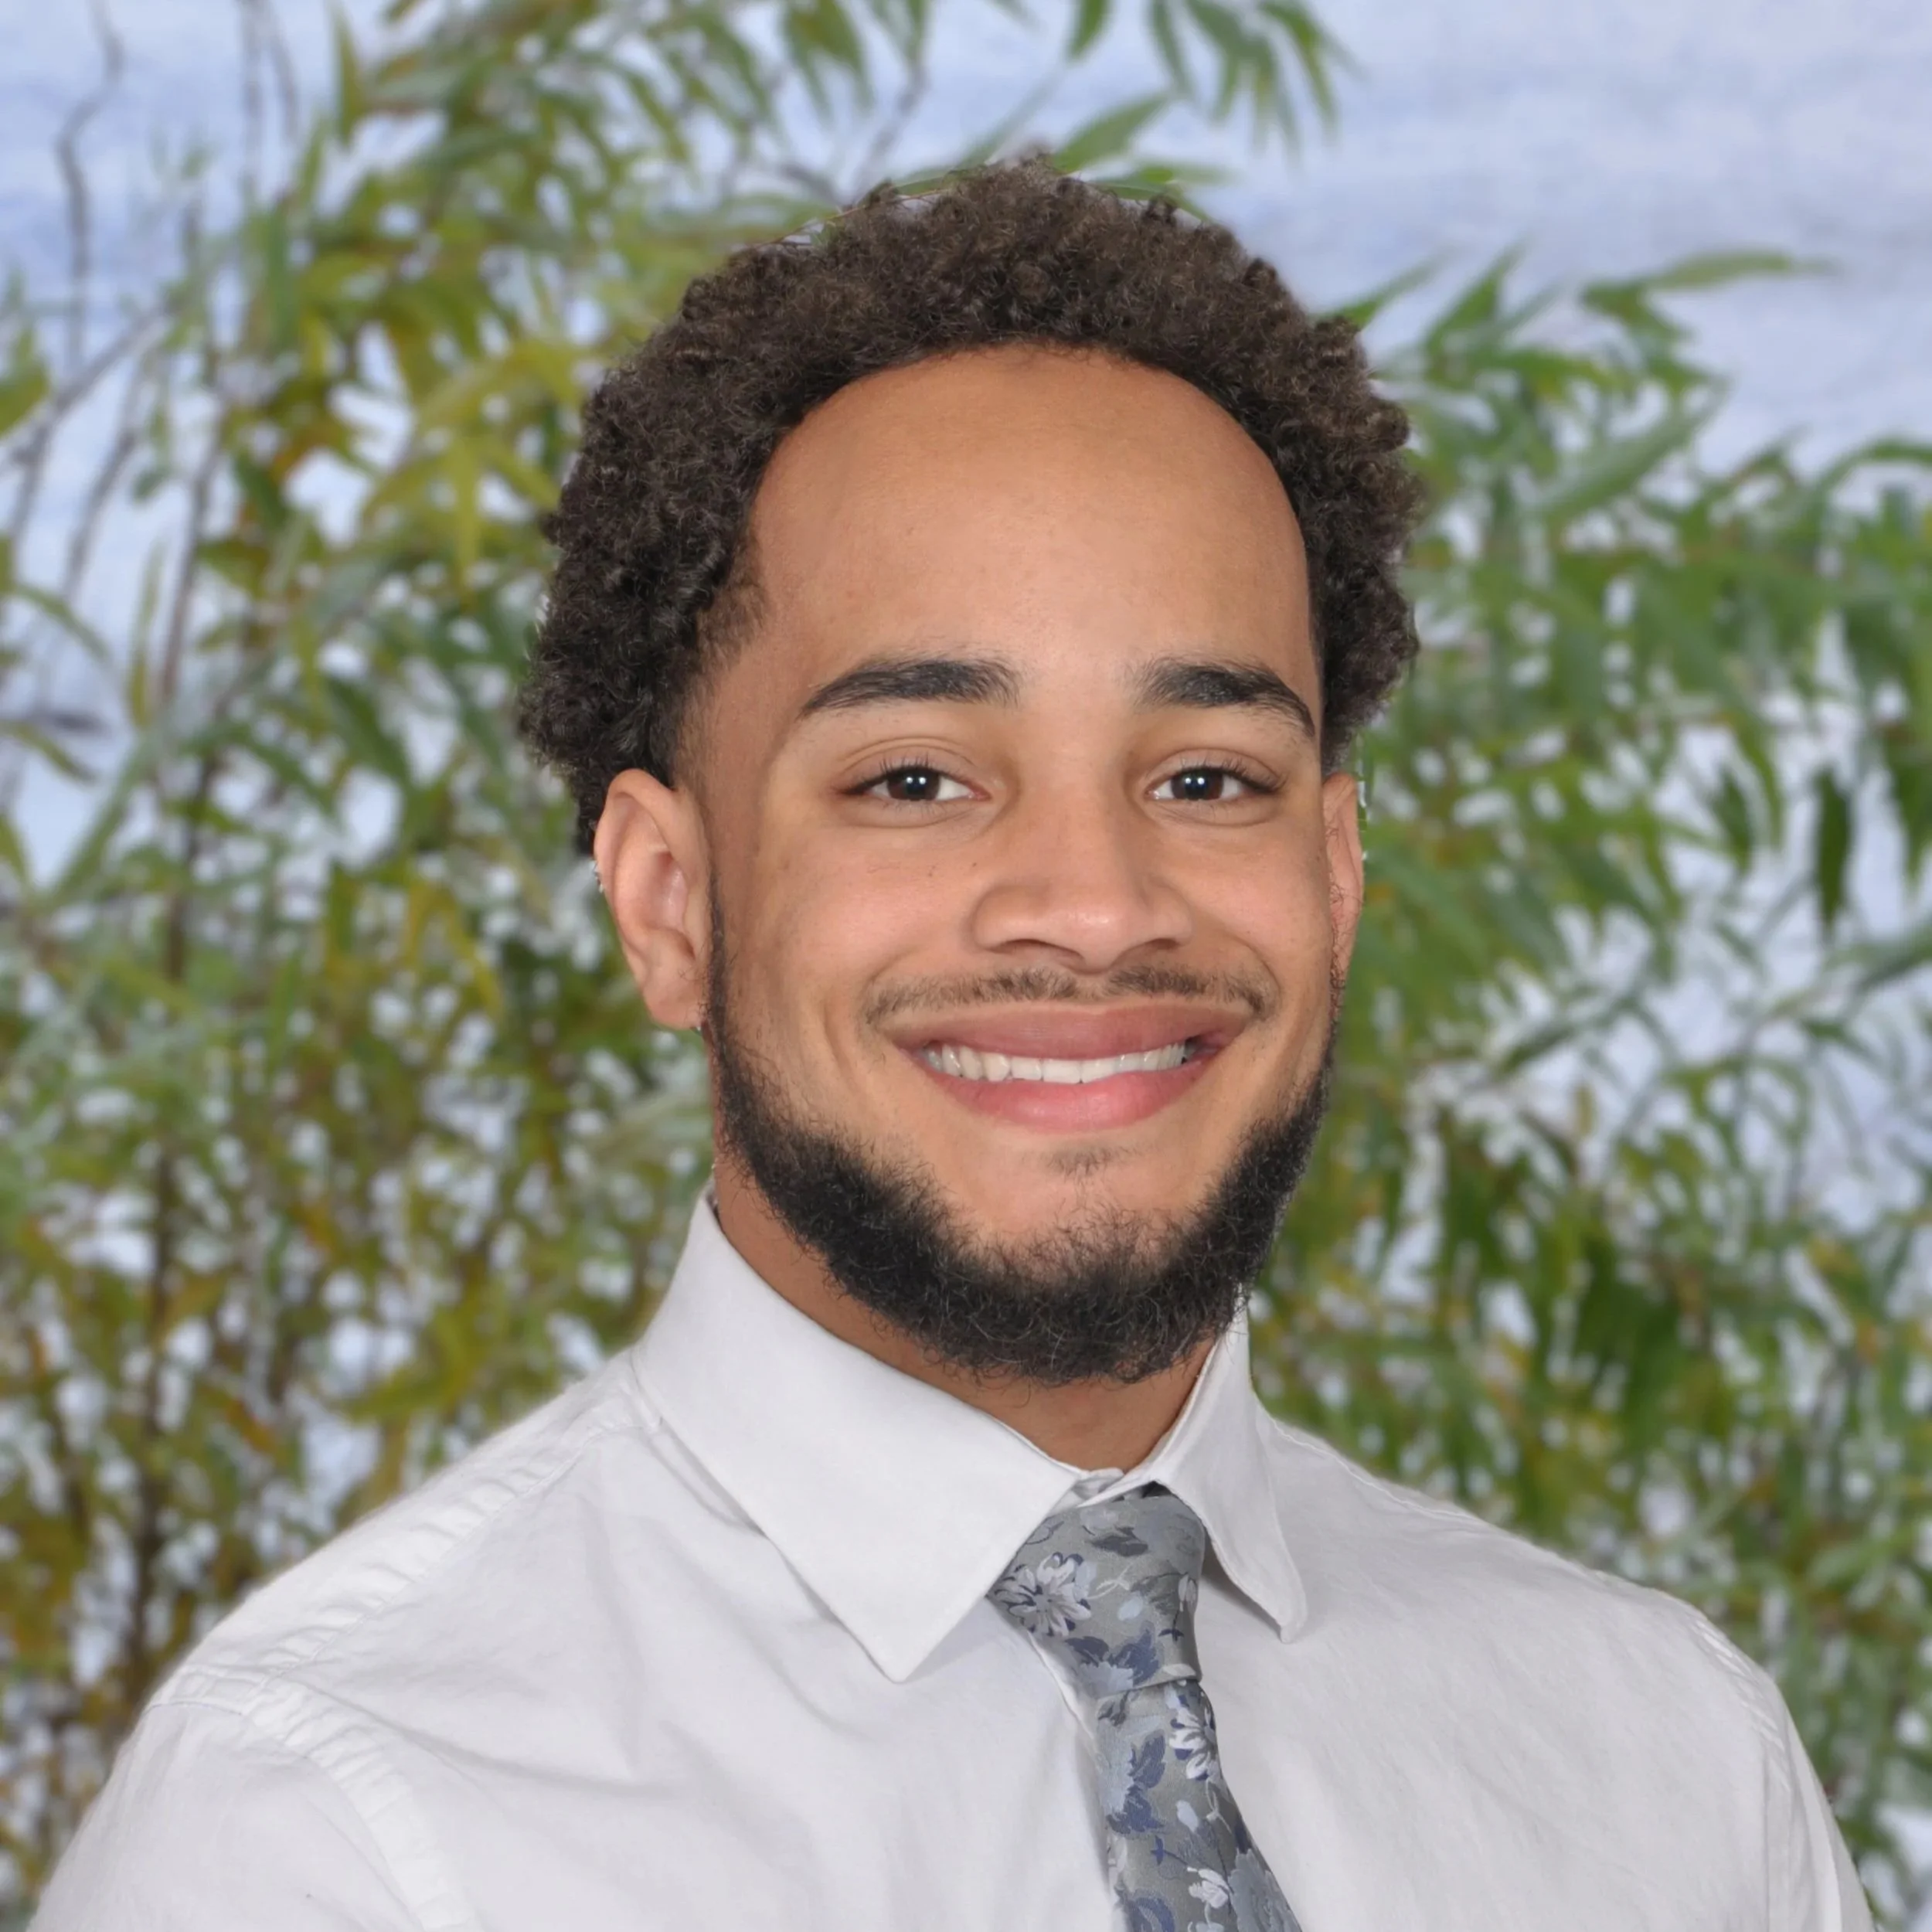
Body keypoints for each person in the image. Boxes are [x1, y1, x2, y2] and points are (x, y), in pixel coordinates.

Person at [35, 161, 1868, 1932]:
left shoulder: (1662, 1763)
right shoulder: (336, 1833)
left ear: (1332, 873)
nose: (1088, 903)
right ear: (666, 900)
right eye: (912, 777)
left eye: (1205, 775)